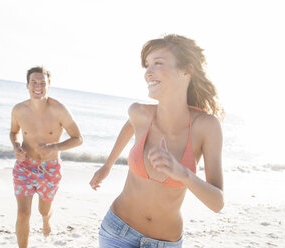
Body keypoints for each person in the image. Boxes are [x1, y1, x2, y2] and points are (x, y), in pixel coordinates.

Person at [89, 34, 224, 248]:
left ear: (186, 71)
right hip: (117, 232)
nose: (148, 73)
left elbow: (217, 203)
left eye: (158, 63)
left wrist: (184, 174)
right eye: (147, 65)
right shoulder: (139, 113)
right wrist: (107, 165)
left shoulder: (206, 126)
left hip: (165, 242)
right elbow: (128, 128)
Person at [10, 66, 83, 247]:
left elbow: (78, 139)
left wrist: (54, 146)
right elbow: (13, 132)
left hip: (49, 169)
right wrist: (16, 146)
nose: (38, 86)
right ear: (27, 85)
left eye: (42, 83)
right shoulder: (18, 110)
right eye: (34, 82)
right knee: (23, 213)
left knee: (44, 210)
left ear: (48, 85)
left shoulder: (59, 109)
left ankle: (45, 220)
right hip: (24, 166)